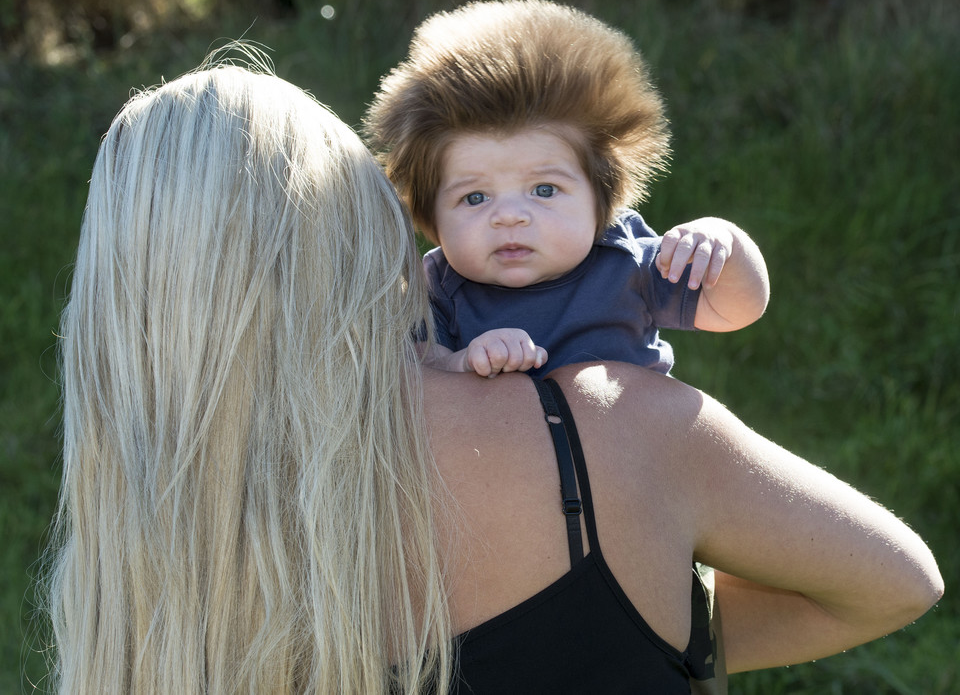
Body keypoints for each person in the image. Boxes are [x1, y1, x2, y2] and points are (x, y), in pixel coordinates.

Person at [44, 56, 942, 694]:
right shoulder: (610, 423)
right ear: (357, 228)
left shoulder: (132, 558)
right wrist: (652, 611)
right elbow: (896, 580)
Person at [364, 0, 770, 378]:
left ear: (601, 198)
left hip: (635, 445)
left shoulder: (624, 261)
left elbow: (736, 310)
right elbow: (409, 366)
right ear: (430, 214)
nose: (509, 216)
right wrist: (459, 362)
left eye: (543, 190)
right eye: (475, 198)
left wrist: (724, 243)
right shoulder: (440, 287)